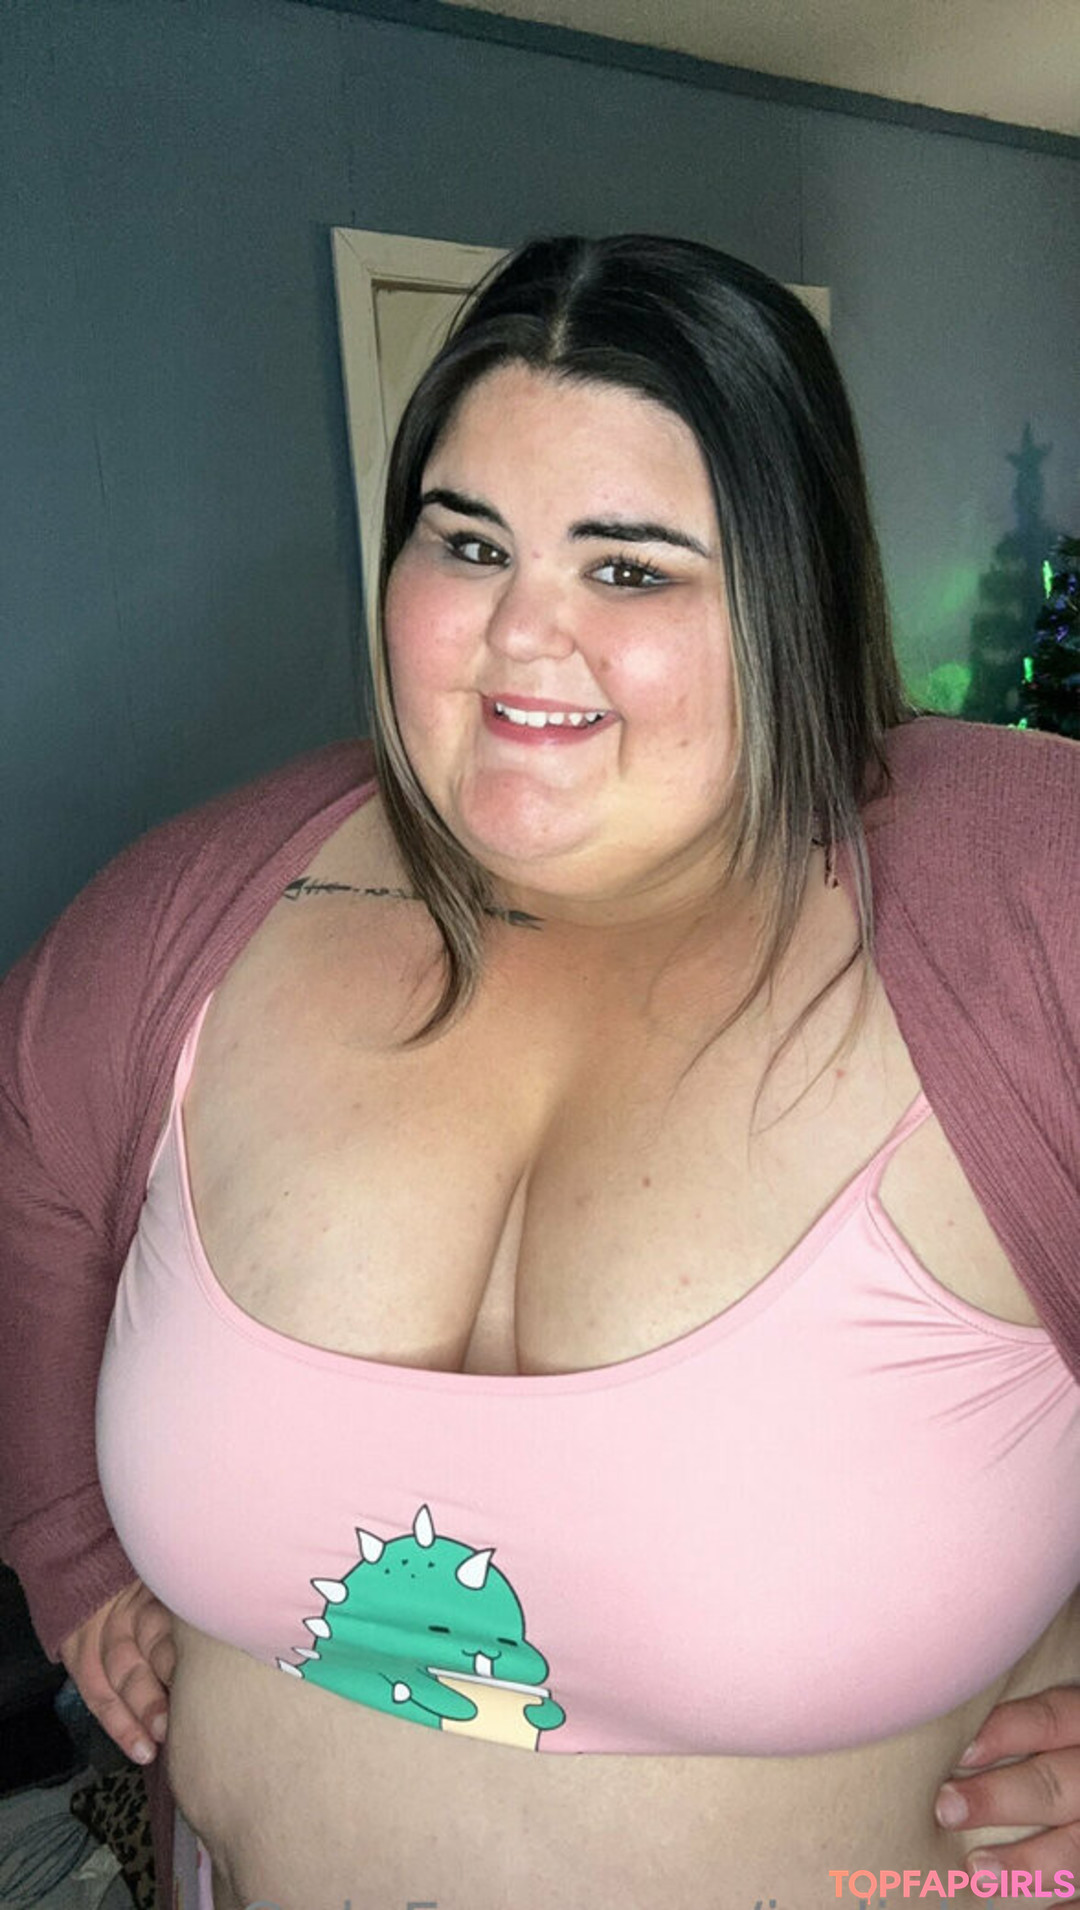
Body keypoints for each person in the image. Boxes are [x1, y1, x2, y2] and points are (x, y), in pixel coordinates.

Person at [2, 233, 1079, 1910]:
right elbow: (31, 1169)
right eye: (470, 541)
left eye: (629, 566)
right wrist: (69, 1538)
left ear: (791, 590)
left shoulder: (1029, 893)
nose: (523, 633)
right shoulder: (198, 909)